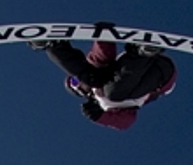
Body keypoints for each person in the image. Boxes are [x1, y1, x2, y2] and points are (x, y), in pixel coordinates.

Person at [29, 25, 176, 130]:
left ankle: (53, 45)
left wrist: (103, 36)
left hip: (147, 61)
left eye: (74, 79)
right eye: (75, 84)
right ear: (83, 93)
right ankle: (143, 52)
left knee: (95, 76)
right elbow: (126, 122)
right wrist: (99, 116)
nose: (78, 82)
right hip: (161, 77)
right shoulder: (105, 104)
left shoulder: (95, 77)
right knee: (111, 93)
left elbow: (101, 56)